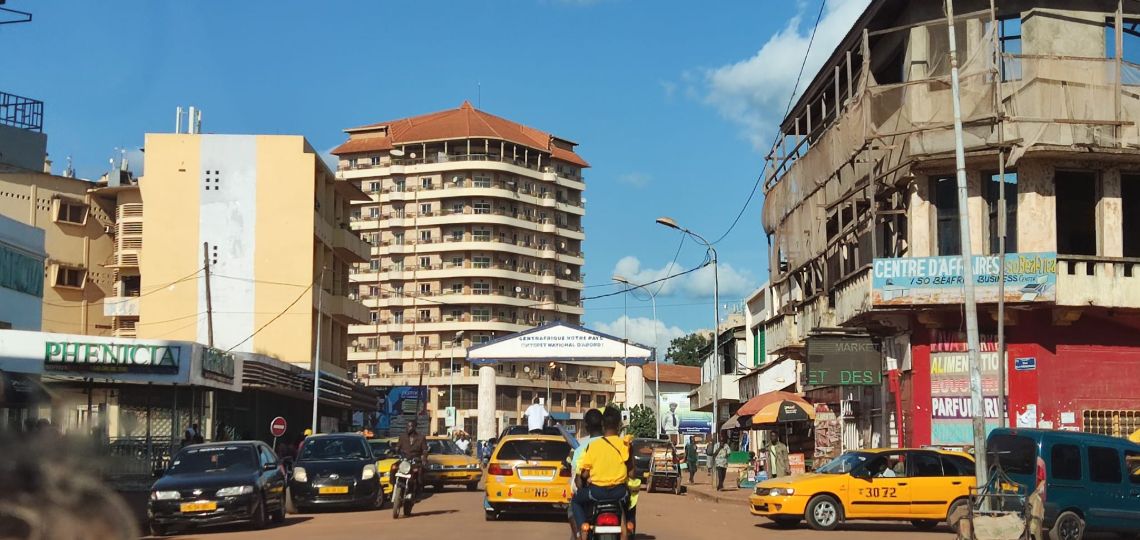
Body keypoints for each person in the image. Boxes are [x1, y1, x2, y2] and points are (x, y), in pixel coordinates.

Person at [571, 407, 634, 540]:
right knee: (632, 503)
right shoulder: (625, 444)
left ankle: (583, 529)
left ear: (603, 425)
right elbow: (632, 473)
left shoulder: (593, 446)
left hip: (596, 493)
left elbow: (584, 474)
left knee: (575, 501)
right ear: (619, 425)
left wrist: (586, 476)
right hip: (620, 493)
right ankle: (629, 529)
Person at [567, 409, 604, 537]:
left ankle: (580, 534)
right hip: (616, 493)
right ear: (603, 425)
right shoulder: (613, 445)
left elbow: (577, 483)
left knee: (573, 506)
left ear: (586, 427)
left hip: (591, 494)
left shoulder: (581, 449)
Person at [396, 419, 428, 496]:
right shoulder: (402, 437)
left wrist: (424, 459)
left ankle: (418, 489)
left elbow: (425, 450)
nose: (408, 428)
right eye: (407, 426)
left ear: (414, 427)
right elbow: (397, 447)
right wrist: (394, 450)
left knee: (419, 472)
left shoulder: (421, 437)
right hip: (404, 460)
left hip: (415, 460)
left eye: (410, 426)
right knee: (393, 467)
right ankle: (394, 485)